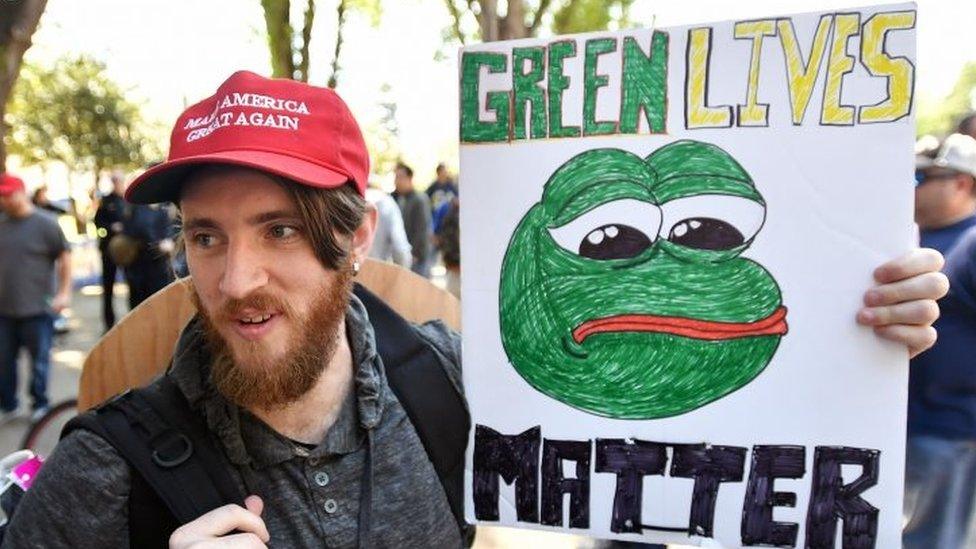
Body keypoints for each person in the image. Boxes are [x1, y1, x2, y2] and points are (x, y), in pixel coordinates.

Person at [1, 72, 948, 548]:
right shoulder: (106, 467)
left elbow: (676, 494)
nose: (236, 277)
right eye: (207, 235)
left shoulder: (461, 380)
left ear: (356, 231)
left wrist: (845, 338)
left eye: (280, 229)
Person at [904, 133, 976, 548]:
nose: (909, 186)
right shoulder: (913, 235)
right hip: (902, 423)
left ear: (961, 183)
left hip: (943, 429)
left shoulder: (969, 243)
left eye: (920, 177)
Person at [0, 173, 71, 423]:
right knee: (4, 361)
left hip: (38, 307)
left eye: (7, 194)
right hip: (5, 309)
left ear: (21, 192)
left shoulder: (46, 224)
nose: (4, 200)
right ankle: (8, 405)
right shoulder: (2, 223)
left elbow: (64, 257)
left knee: (39, 361)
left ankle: (40, 403)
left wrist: (63, 292)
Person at [122, 197, 176, 309]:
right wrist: (158, 243)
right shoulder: (136, 209)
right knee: (140, 304)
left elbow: (169, 229)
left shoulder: (163, 208)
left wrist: (169, 241)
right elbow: (137, 230)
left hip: (159, 264)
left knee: (159, 302)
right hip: (139, 264)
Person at [93, 171, 127, 329]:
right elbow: (97, 223)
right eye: (115, 181)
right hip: (108, 249)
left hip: (127, 251)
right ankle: (109, 323)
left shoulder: (129, 200)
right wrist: (111, 228)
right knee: (108, 287)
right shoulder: (106, 201)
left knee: (133, 286)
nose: (118, 184)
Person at [391, 162, 432, 277]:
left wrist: (414, 254)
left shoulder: (420, 200)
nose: (397, 181)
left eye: (400, 177)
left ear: (409, 178)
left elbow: (422, 230)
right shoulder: (392, 198)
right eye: (396, 177)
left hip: (416, 258)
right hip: (399, 257)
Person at [365, 185, 412, 268]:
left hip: (346, 272)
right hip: (377, 270)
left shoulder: (351, 198)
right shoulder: (388, 204)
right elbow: (400, 248)